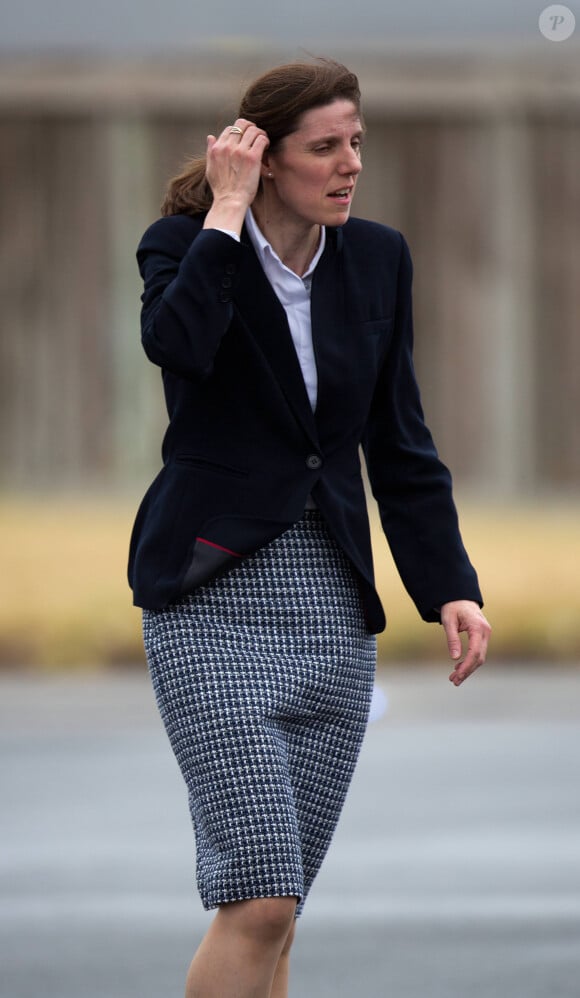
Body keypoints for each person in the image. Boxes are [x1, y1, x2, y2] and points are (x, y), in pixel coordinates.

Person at [128, 57, 490, 998]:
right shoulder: (183, 246)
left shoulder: (377, 258)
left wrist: (450, 581)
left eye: (356, 143)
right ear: (263, 158)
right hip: (210, 601)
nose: (348, 165)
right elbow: (177, 347)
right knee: (259, 901)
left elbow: (400, 443)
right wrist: (223, 214)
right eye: (324, 147)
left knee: (281, 915)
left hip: (329, 608)